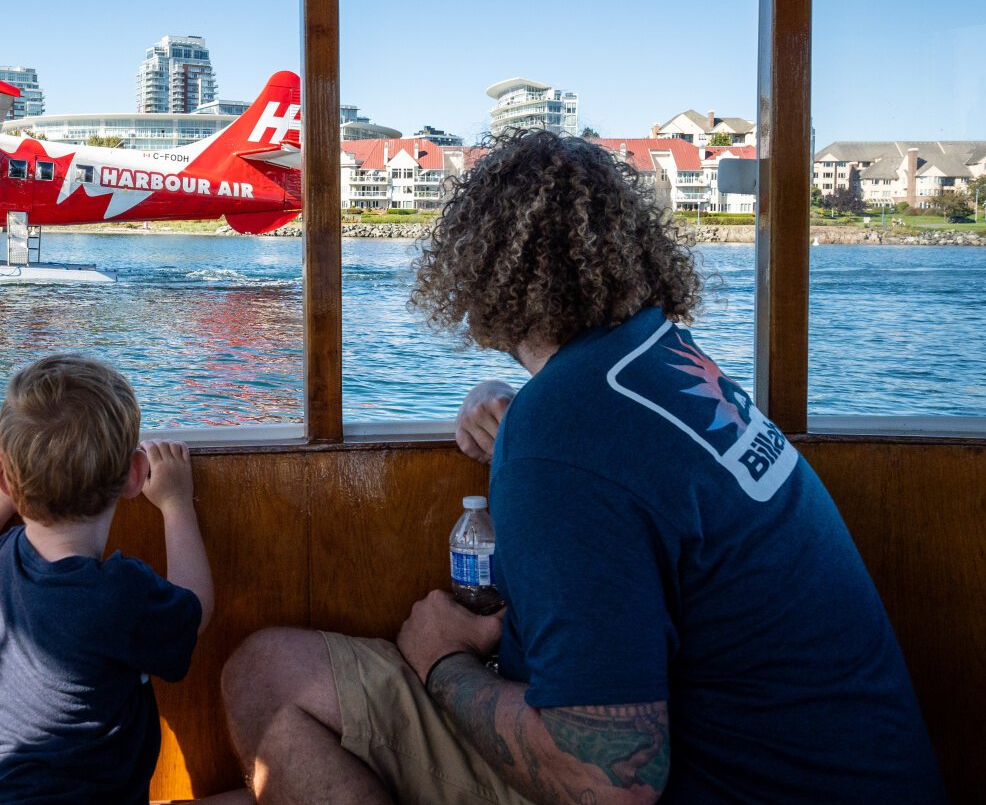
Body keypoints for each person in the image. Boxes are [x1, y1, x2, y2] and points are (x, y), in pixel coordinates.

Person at [221, 130, 943, 804]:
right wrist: (515, 409)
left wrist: (441, 663)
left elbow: (608, 779)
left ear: (476, 271)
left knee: (265, 681)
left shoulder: (565, 427)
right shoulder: (661, 362)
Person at [0, 354, 214, 804]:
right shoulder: (121, 592)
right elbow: (196, 610)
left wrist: (0, 498)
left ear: (2, 475)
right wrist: (176, 505)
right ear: (133, 475)